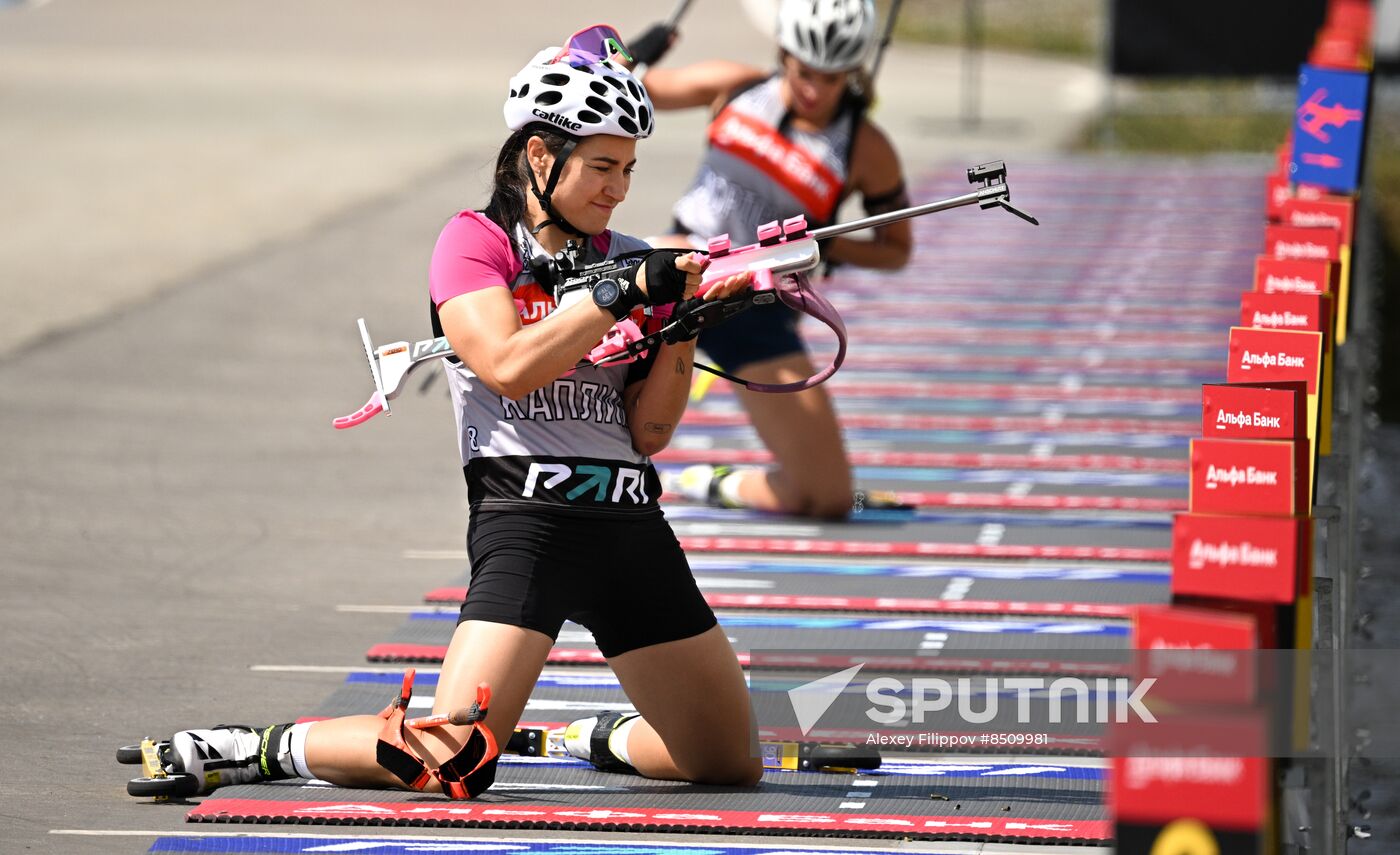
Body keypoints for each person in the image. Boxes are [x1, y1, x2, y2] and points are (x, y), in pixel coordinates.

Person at [135, 27, 760, 800]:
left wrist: (681, 326)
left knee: (728, 761)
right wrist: (623, 294)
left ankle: (590, 735)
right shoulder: (473, 242)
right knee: (455, 758)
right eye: (602, 166)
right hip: (529, 520)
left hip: (632, 529)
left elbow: (650, 433)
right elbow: (505, 365)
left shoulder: (626, 253)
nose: (620, 189)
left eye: (629, 168)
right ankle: (261, 746)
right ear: (540, 156)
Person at [631, 0, 913, 519]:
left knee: (829, 498)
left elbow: (896, 250)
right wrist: (632, 55)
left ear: (851, 72)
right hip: (683, 274)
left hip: (758, 304)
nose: (813, 88)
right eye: (804, 71)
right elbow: (619, 95)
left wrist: (828, 244)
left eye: (830, 78)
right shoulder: (736, 88)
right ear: (784, 53)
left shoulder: (865, 148)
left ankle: (717, 483)